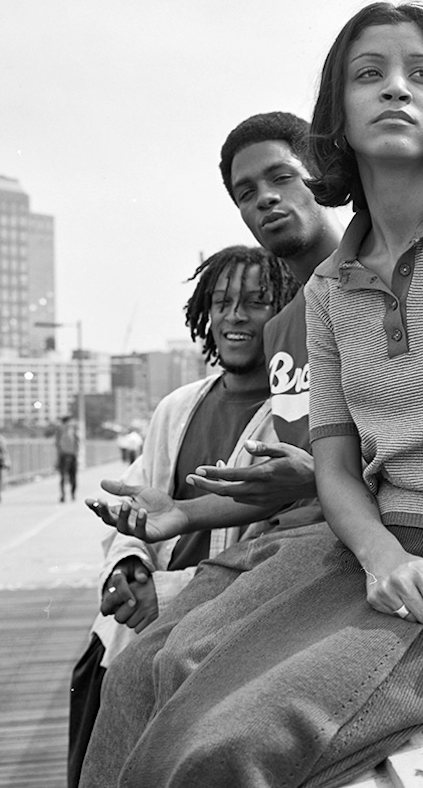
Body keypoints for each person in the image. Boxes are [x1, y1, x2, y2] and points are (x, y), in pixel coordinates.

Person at [81, 1, 423, 788]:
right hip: (364, 553)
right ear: (337, 111)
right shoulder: (330, 287)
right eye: (370, 73)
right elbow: (334, 466)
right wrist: (380, 554)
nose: (396, 89)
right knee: (137, 678)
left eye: (421, 74)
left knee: (226, 747)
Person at [79, 110, 345, 786]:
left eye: (282, 176)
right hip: (192, 599)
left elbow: (323, 490)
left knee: (190, 699)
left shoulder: (364, 296)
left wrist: (316, 482)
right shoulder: (198, 395)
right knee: (134, 683)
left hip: (269, 592)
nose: (235, 316)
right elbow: (267, 498)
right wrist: (140, 553)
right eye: (244, 191)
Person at [68, 244, 299, 787]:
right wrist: (128, 566)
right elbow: (139, 506)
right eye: (221, 303)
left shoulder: (293, 418)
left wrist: (166, 593)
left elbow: (275, 547)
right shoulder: (177, 405)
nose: (234, 317)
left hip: (209, 651)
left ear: (286, 313)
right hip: (123, 637)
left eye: (256, 302)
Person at [56, 415, 82, 502]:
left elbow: (77, 442)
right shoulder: (61, 430)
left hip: (69, 455)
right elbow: (58, 443)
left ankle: (70, 494)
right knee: (66, 476)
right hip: (65, 455)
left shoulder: (72, 430)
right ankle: (65, 495)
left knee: (70, 476)